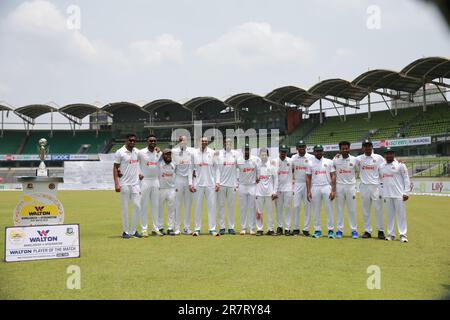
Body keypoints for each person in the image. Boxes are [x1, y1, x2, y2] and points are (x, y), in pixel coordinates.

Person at [189, 137, 220, 236]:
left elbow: (217, 168)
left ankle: (212, 229)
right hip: (198, 184)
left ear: (207, 142)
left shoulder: (212, 152)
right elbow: (190, 169)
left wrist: (218, 182)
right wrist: (190, 183)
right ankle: (197, 229)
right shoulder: (194, 153)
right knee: (197, 207)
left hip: (210, 185)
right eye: (202, 141)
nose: (204, 142)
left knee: (211, 207)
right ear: (199, 142)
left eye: (206, 141)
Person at [113, 133, 142, 239]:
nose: (132, 142)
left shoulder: (137, 152)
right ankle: (125, 231)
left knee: (137, 206)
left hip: (135, 184)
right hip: (124, 184)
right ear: (126, 140)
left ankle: (133, 231)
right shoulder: (120, 152)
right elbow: (115, 168)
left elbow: (146, 159)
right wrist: (116, 183)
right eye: (130, 140)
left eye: (134, 140)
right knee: (125, 208)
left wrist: (157, 150)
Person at [379, 148, 410, 242]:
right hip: (387, 195)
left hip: (399, 194)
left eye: (391, 154)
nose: (389, 155)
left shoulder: (400, 165)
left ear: (393, 154)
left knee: (401, 215)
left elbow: (406, 179)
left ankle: (403, 235)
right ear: (385, 155)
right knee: (389, 216)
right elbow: (381, 180)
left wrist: (406, 192)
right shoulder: (381, 166)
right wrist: (382, 192)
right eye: (387, 154)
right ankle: (391, 234)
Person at [356, 139, 385, 239]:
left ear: (372, 147)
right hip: (364, 187)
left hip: (376, 187)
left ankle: (380, 231)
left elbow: (386, 166)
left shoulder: (379, 158)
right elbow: (348, 162)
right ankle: (367, 231)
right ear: (363, 147)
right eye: (365, 146)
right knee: (366, 210)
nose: (367, 148)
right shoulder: (359, 159)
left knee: (378, 209)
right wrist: (337, 156)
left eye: (369, 146)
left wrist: (397, 161)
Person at [306, 144, 336, 239]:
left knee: (329, 209)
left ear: (323, 151)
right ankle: (317, 230)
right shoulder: (310, 163)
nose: (318, 152)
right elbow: (308, 178)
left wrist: (333, 190)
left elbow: (333, 176)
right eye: (317, 151)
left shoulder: (329, 162)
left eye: (320, 151)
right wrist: (308, 191)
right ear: (314, 152)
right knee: (316, 210)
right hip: (315, 187)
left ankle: (330, 230)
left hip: (326, 187)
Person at [333, 141, 359, 239]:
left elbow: (358, 170)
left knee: (352, 210)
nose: (345, 150)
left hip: (351, 187)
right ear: (340, 149)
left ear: (349, 148)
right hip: (339, 187)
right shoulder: (336, 159)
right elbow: (332, 171)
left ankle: (354, 231)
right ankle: (339, 230)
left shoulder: (354, 159)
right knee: (339, 210)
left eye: (346, 148)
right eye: (343, 148)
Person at [138, 134, 163, 236]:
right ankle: (144, 229)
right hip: (145, 181)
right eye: (150, 141)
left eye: (154, 141)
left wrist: (159, 151)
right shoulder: (141, 152)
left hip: (155, 181)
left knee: (155, 206)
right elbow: (135, 163)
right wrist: (138, 173)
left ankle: (155, 228)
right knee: (144, 206)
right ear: (147, 142)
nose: (152, 142)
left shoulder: (159, 153)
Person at [291, 140, 314, 236]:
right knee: (296, 206)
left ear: (306, 147)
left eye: (303, 146)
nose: (301, 148)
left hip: (308, 184)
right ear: (297, 148)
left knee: (307, 206)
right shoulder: (293, 158)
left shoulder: (311, 157)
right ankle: (296, 228)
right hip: (297, 183)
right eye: (299, 147)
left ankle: (306, 229)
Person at [172, 135, 194, 235]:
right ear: (178, 141)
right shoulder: (174, 152)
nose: (182, 142)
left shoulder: (191, 152)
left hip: (188, 180)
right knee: (177, 204)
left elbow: (191, 168)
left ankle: (186, 228)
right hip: (178, 180)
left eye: (184, 140)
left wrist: (190, 183)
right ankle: (176, 228)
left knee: (188, 205)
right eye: (180, 140)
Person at [216, 138, 239, 235]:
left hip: (232, 185)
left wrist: (237, 182)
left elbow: (240, 167)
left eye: (230, 142)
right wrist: (217, 182)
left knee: (231, 207)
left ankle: (231, 227)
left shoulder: (236, 154)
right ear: (224, 143)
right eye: (226, 142)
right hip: (221, 184)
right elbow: (216, 169)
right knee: (221, 206)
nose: (228, 144)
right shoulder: (219, 154)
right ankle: (222, 227)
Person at [236, 144, 259, 235]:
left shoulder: (255, 160)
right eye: (244, 150)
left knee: (252, 208)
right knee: (243, 208)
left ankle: (252, 228)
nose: (246, 152)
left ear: (250, 151)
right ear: (242, 151)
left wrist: (257, 177)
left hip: (252, 186)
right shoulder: (238, 160)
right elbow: (232, 170)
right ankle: (243, 228)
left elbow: (259, 170)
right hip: (242, 186)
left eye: (247, 150)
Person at [255, 148, 278, 236]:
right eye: (262, 154)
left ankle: (270, 229)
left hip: (270, 193)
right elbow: (255, 178)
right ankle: (259, 229)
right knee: (259, 211)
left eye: (265, 154)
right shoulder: (257, 165)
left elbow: (276, 179)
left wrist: (274, 191)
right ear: (259, 155)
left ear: (268, 155)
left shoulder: (272, 165)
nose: (263, 156)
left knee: (270, 212)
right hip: (259, 192)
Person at [273, 144, 294, 236]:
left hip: (288, 188)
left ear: (286, 152)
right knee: (278, 209)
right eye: (282, 151)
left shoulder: (290, 161)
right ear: (279, 152)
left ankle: (287, 228)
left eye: (285, 152)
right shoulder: (274, 161)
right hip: (277, 189)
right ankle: (279, 227)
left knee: (288, 208)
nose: (283, 153)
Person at [158, 149, 177, 236]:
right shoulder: (159, 164)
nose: (168, 156)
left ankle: (170, 228)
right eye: (166, 154)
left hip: (171, 189)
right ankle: (160, 227)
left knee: (171, 210)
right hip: (161, 189)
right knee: (160, 209)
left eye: (169, 154)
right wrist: (159, 152)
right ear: (163, 155)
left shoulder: (174, 164)